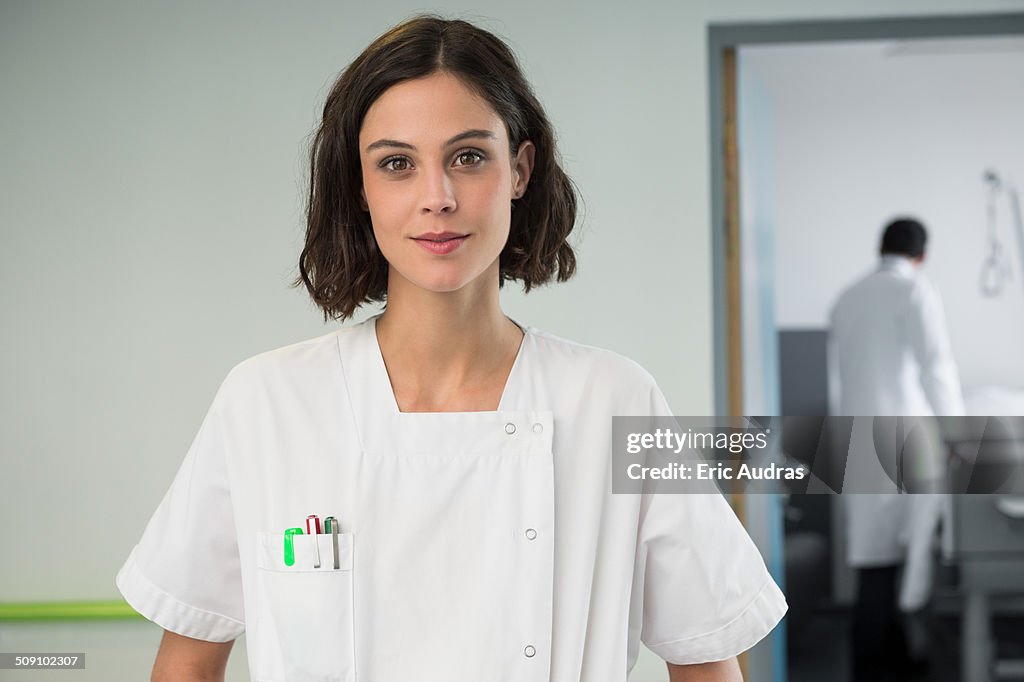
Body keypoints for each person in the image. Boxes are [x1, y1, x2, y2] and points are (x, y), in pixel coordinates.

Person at [116, 15, 787, 682]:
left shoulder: (614, 400)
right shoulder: (265, 402)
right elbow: (188, 664)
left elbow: (706, 661)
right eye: (397, 164)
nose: (436, 198)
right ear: (360, 185)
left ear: (520, 169)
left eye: (468, 157)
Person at [828, 217, 964, 681]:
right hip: (905, 438)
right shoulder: (915, 292)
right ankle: (910, 664)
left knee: (873, 565)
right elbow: (936, 368)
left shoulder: (846, 298)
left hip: (853, 439)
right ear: (921, 255)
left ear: (880, 246)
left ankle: (871, 669)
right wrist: (959, 432)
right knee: (916, 558)